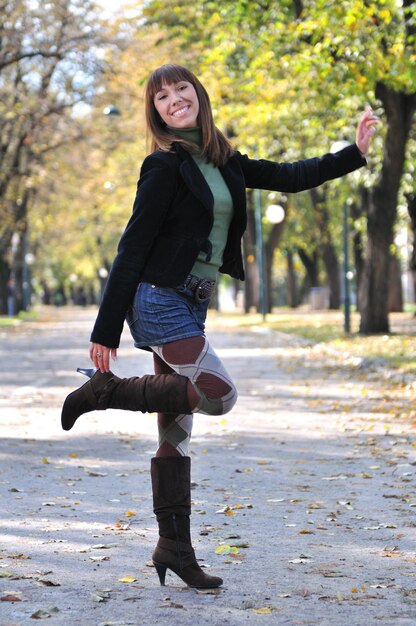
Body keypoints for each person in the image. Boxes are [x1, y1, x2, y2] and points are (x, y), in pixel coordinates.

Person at [61, 64, 378, 589]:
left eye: (181, 88)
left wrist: (355, 153)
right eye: (162, 96)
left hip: (193, 301)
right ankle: (108, 390)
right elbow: (133, 246)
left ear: (197, 95)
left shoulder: (223, 160)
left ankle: (174, 548)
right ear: (156, 111)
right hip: (160, 297)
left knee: (175, 435)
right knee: (219, 394)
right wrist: (106, 329)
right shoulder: (162, 166)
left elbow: (291, 176)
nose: (174, 98)